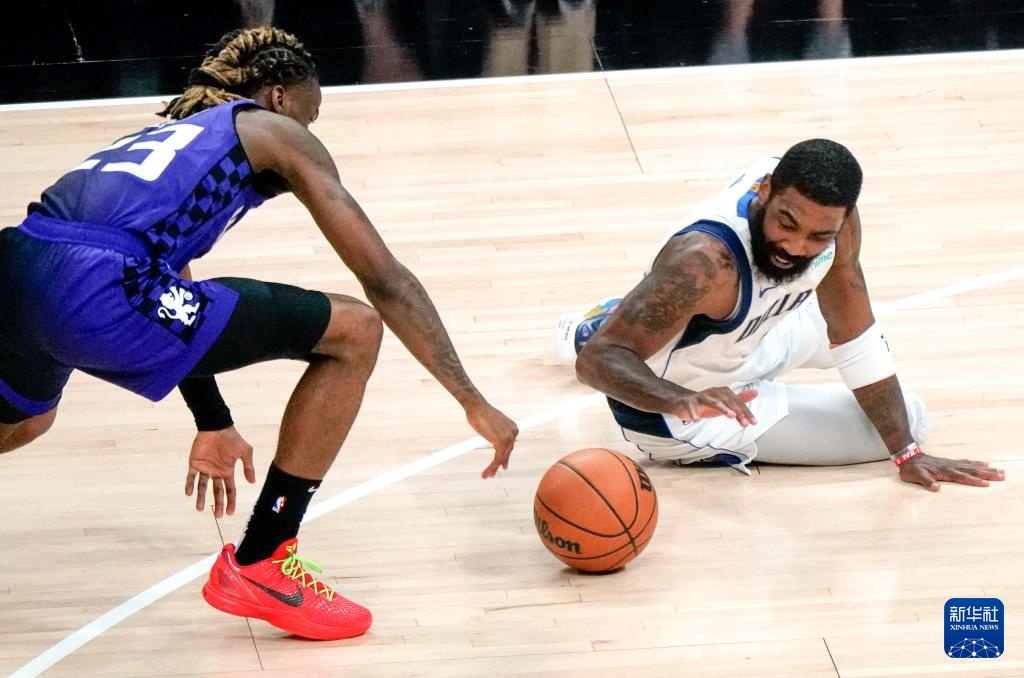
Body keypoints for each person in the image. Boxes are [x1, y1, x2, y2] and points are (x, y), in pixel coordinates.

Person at [0, 26, 518, 641]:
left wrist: (213, 420)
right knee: (355, 329)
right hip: (97, 282)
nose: (312, 130)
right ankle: (264, 560)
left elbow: (172, 290)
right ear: (278, 97)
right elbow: (385, 279)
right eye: (311, 114)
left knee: (24, 423)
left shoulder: (172, 139)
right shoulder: (273, 131)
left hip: (18, 261)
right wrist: (471, 399)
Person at [556, 139, 1004, 491]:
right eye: (786, 223)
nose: (796, 246)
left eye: (818, 236)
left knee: (865, 365)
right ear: (766, 190)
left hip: (751, 337)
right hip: (691, 405)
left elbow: (855, 333)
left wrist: (906, 453)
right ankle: (620, 327)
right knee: (914, 415)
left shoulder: (831, 216)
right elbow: (595, 362)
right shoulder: (704, 262)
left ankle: (625, 316)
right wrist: (678, 399)